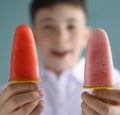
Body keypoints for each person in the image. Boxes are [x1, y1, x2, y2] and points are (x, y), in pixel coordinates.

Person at [0, 0, 120, 115]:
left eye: (71, 26)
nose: (60, 38)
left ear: (86, 36)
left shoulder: (117, 86)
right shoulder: (7, 100)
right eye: (48, 26)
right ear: (33, 38)